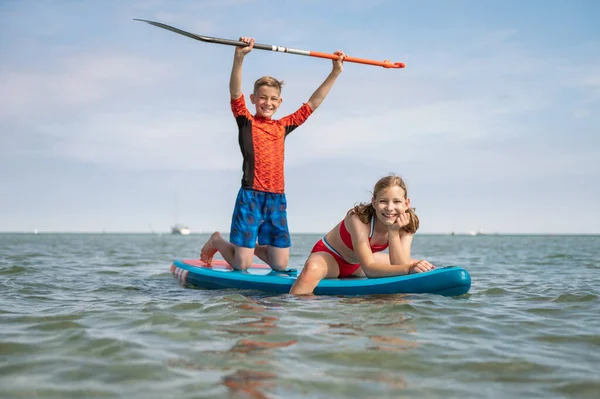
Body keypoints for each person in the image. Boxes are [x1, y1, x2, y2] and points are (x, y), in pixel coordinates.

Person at [200, 36, 345, 271]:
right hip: (250, 197)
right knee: (241, 265)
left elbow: (313, 103)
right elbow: (235, 92)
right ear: (254, 99)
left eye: (273, 99)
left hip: (276, 199)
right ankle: (218, 240)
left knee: (280, 266)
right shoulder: (246, 121)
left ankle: (248, 247)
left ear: (280, 102)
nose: (268, 103)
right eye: (263, 98)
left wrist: (335, 72)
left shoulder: (283, 126)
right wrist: (239, 57)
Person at [289, 175, 435, 295]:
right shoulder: (358, 219)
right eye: (383, 201)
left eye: (397, 201)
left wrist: (393, 231)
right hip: (331, 259)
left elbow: (400, 267)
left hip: (358, 263)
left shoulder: (407, 224)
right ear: (374, 202)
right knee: (311, 270)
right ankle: (291, 311)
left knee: (419, 267)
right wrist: (408, 268)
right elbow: (370, 269)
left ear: (406, 203)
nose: (390, 208)